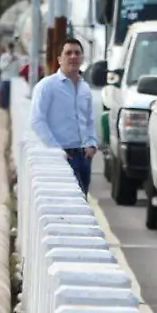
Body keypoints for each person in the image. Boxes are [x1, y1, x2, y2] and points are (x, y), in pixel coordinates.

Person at [29, 37, 98, 195]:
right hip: (62, 157)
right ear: (60, 59)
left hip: (83, 156)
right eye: (68, 53)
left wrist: (92, 144)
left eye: (77, 53)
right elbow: (36, 120)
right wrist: (56, 150)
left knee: (83, 202)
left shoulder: (85, 88)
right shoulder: (47, 86)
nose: (73, 56)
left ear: (82, 58)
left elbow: (89, 120)